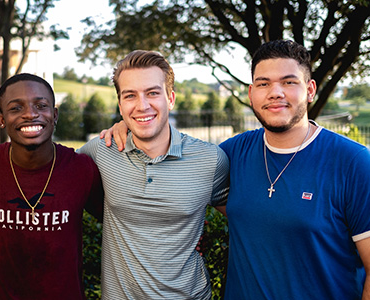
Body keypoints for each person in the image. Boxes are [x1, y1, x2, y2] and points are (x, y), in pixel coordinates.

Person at [104, 40, 370, 299]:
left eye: (289, 82)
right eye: (264, 84)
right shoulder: (231, 153)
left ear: (310, 90)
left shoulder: (353, 162)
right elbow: (174, 166)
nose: (275, 92)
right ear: (251, 93)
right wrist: (130, 127)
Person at [77, 50, 230, 299]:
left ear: (170, 98)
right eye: (130, 96)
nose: (142, 105)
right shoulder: (101, 151)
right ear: (120, 104)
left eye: (152, 93)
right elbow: (51, 171)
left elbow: (245, 221)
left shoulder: (210, 160)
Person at [0, 73, 104, 300]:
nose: (30, 114)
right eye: (16, 108)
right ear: (1, 119)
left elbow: (119, 224)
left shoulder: (81, 168)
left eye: (41, 105)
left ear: (54, 114)